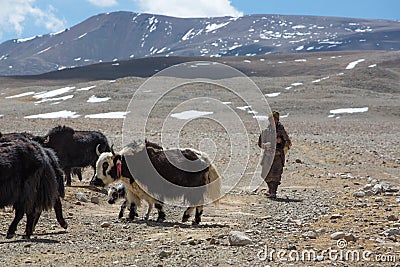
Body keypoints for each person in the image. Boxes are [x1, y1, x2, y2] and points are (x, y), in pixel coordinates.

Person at [258, 111, 292, 198]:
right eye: (271, 119)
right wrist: (266, 145)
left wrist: (281, 142)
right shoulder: (265, 131)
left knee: (276, 174)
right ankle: (270, 190)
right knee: (266, 174)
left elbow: (288, 143)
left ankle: (274, 192)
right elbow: (260, 143)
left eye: (275, 119)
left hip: (277, 156)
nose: (273, 121)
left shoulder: (281, 131)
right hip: (268, 156)